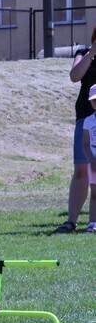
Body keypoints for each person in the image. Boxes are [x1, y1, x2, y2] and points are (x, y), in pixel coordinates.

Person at [54, 30, 96, 233]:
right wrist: (91, 53)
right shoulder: (83, 52)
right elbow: (74, 76)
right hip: (86, 118)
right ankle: (71, 221)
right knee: (81, 170)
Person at [80, 83, 96, 233]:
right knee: (95, 194)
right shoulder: (88, 121)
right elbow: (85, 144)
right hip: (94, 164)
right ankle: (93, 224)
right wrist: (91, 160)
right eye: (94, 100)